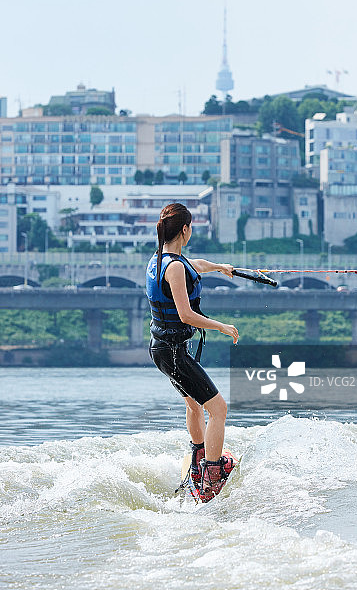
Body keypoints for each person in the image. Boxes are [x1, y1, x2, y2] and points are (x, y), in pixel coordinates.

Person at [146, 202, 239, 501]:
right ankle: (212, 474)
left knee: (195, 406)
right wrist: (220, 325)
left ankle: (200, 462)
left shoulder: (160, 259)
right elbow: (185, 315)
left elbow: (193, 265)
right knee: (219, 409)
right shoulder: (173, 268)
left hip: (162, 350)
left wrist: (220, 267)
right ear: (185, 229)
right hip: (174, 353)